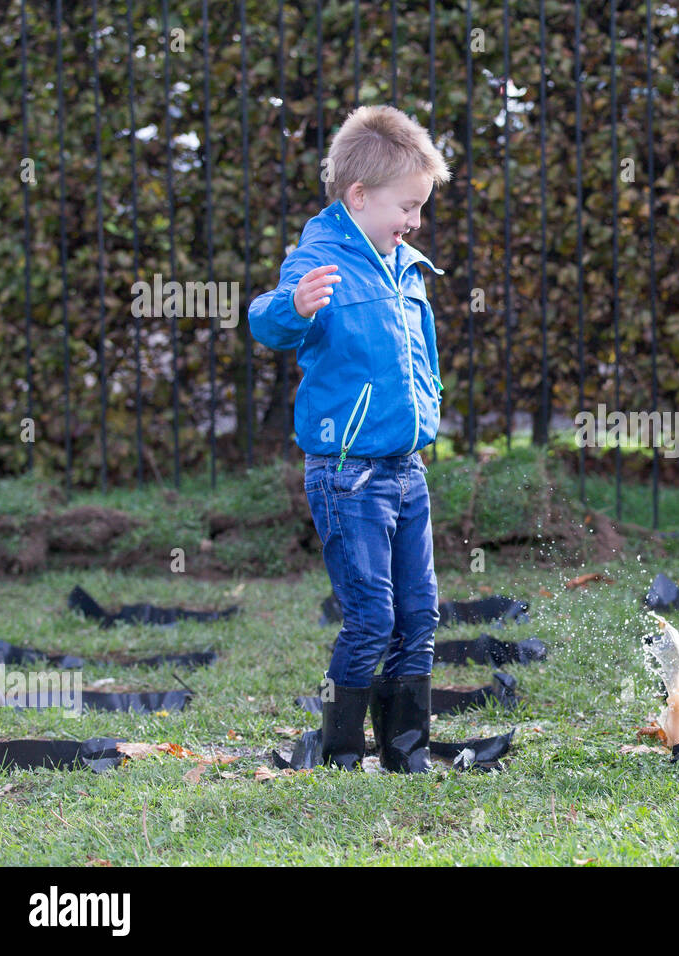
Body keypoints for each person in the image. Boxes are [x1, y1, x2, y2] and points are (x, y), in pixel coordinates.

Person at [248, 105, 452, 772]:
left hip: (406, 468)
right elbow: (267, 321)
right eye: (407, 205)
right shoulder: (319, 261)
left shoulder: (405, 266)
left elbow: (422, 354)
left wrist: (431, 403)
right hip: (348, 476)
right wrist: (292, 307)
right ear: (359, 196)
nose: (416, 219)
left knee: (419, 615)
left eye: (421, 206)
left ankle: (406, 752)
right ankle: (339, 753)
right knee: (371, 619)